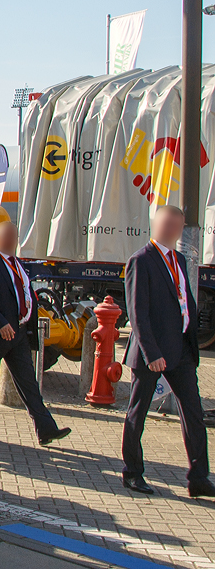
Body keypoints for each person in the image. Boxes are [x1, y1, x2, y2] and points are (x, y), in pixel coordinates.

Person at [121, 204, 215, 497]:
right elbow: (137, 314)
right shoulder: (141, 260)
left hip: (181, 351)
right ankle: (132, 473)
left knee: (194, 414)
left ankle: (198, 478)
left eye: (178, 225)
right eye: (167, 223)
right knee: (138, 413)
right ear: (156, 224)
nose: (173, 230)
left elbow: (182, 301)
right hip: (153, 354)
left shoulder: (178, 259)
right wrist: (152, 353)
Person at [0, 221, 71, 446]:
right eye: (7, 237)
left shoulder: (18, 265)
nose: (11, 242)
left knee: (29, 384)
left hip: (19, 335)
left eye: (14, 237)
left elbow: (25, 295)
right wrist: (0, 324)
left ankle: (46, 429)